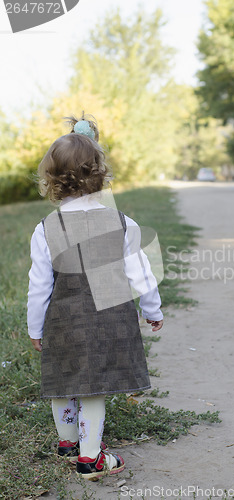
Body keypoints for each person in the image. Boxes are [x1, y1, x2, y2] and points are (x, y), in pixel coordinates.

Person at [27, 115, 164, 481]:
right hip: (107, 320)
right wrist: (153, 310)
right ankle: (91, 458)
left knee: (63, 379)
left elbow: (39, 285)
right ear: (100, 176)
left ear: (52, 180)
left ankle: (68, 444)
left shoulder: (44, 230)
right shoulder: (123, 223)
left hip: (63, 322)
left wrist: (34, 328)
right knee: (93, 389)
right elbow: (141, 276)